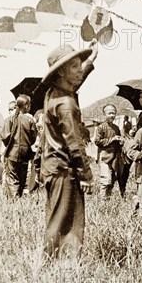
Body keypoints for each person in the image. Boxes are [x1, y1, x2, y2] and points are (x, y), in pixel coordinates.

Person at [39, 42, 97, 262]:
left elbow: (75, 82)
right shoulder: (66, 104)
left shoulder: (54, 93)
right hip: (64, 169)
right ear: (62, 71)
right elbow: (74, 144)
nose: (79, 69)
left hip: (53, 168)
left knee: (58, 216)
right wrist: (87, 175)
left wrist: (91, 62)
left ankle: (58, 264)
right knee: (65, 221)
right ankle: (56, 266)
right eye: (75, 66)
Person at [2, 94, 37, 199]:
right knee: (22, 177)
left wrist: (10, 145)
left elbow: (5, 136)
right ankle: (19, 198)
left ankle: (13, 200)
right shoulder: (30, 120)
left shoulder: (10, 119)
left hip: (12, 153)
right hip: (25, 154)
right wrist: (25, 145)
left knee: (12, 178)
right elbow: (33, 138)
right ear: (26, 106)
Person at [94, 104, 125, 200]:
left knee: (112, 179)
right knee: (105, 180)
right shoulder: (101, 127)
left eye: (113, 113)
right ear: (104, 114)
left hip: (114, 158)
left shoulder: (116, 128)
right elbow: (97, 141)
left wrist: (121, 142)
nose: (112, 115)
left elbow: (118, 142)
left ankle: (108, 199)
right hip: (104, 157)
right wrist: (112, 139)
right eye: (109, 113)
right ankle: (102, 200)